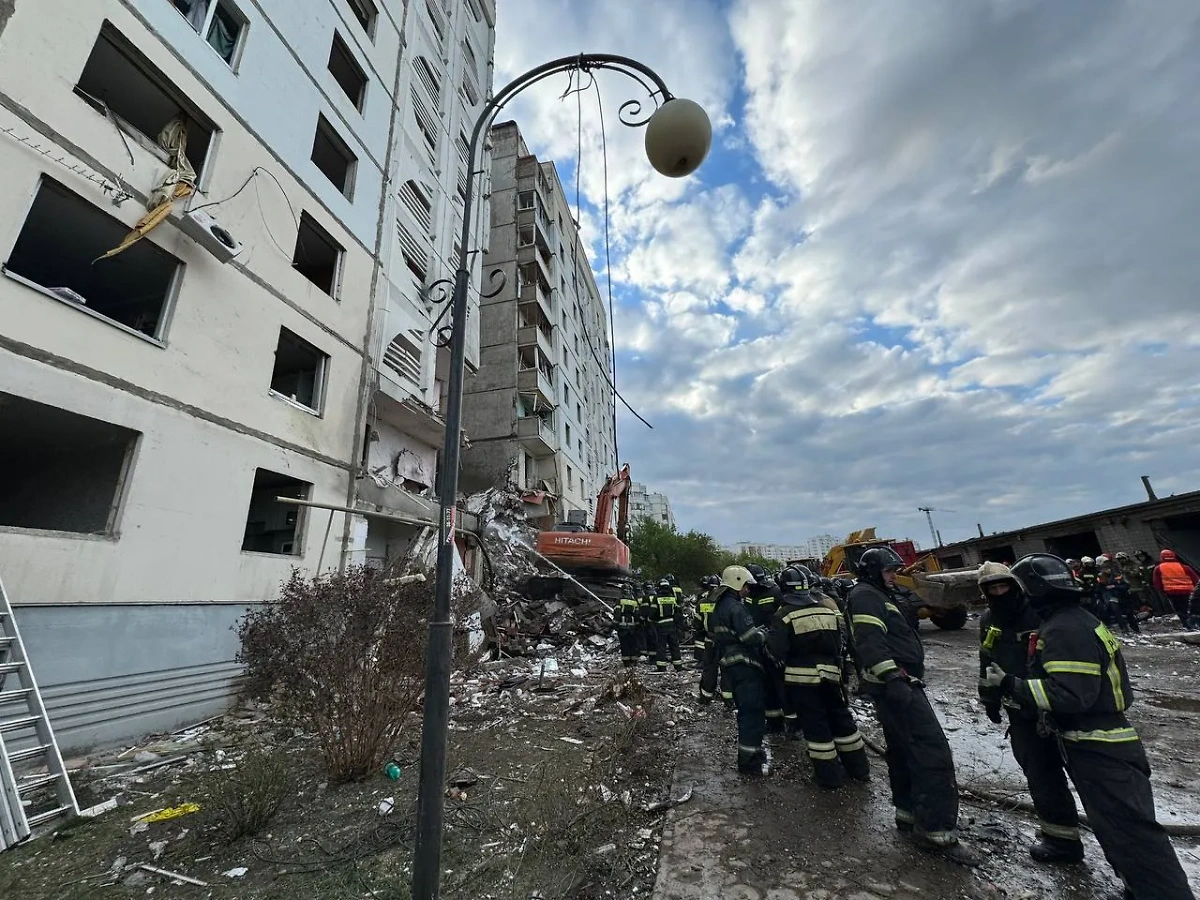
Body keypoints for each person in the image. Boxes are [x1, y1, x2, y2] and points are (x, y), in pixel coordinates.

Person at [987, 553, 1194, 900]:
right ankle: (1140, 888)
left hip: (1099, 743)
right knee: (1117, 827)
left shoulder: (1065, 629)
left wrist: (1012, 685)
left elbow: (1070, 695)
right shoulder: (1076, 620)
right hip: (1097, 738)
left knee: (1129, 831)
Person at [847, 547, 978, 865]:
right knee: (931, 752)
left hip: (898, 683)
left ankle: (908, 815)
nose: (894, 576)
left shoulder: (879, 593)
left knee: (903, 750)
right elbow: (868, 641)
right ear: (873, 572)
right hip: (898, 685)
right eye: (889, 571)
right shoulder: (866, 596)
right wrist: (893, 677)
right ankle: (936, 833)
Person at [976, 562, 1083, 863]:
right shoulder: (989, 620)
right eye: (992, 588)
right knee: (1040, 775)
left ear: (1015, 585)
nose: (999, 592)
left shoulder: (1038, 613)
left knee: (1085, 775)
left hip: (1058, 706)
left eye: (1003, 586)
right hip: (1021, 711)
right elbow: (987, 661)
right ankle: (1062, 841)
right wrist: (989, 699)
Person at [769, 566, 869, 788]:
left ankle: (829, 777)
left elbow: (777, 652)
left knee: (817, 727)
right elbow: (840, 644)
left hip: (803, 683)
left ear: (784, 589)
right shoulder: (826, 610)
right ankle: (859, 769)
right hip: (832, 677)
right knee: (842, 720)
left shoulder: (783, 615)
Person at [711, 565, 770, 773]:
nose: (748, 590)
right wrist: (764, 635)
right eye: (745, 585)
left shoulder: (720, 606)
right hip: (744, 665)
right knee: (752, 712)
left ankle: (752, 753)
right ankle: (749, 762)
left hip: (729, 663)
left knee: (746, 710)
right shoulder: (736, 608)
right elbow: (749, 638)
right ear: (736, 583)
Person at [745, 563, 785, 733]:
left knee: (782, 684)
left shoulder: (775, 592)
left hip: (775, 645)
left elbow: (783, 619)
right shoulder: (747, 595)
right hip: (757, 645)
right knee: (765, 685)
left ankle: (792, 721)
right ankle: (774, 722)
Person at [1152, 550, 1200, 627]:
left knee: (1179, 609)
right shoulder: (1184, 567)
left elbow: (1157, 582)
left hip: (1172, 592)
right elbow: (1196, 579)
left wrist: (1163, 592)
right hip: (1188, 591)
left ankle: (1187, 625)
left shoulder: (1158, 568)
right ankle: (1195, 624)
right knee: (1191, 608)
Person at [652, 578, 684, 672]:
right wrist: (679, 626)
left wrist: (650, 620)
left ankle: (661, 667)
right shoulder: (672, 598)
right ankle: (678, 666)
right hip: (672, 625)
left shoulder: (657, 598)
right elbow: (677, 612)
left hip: (661, 625)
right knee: (674, 646)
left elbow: (653, 612)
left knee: (661, 647)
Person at [615, 581, 641, 667]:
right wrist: (637, 625)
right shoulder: (634, 601)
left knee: (625, 644)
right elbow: (637, 614)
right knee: (633, 644)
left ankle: (626, 662)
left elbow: (617, 613)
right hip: (632, 626)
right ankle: (633, 660)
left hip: (623, 626)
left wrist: (615, 624)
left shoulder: (620, 600)